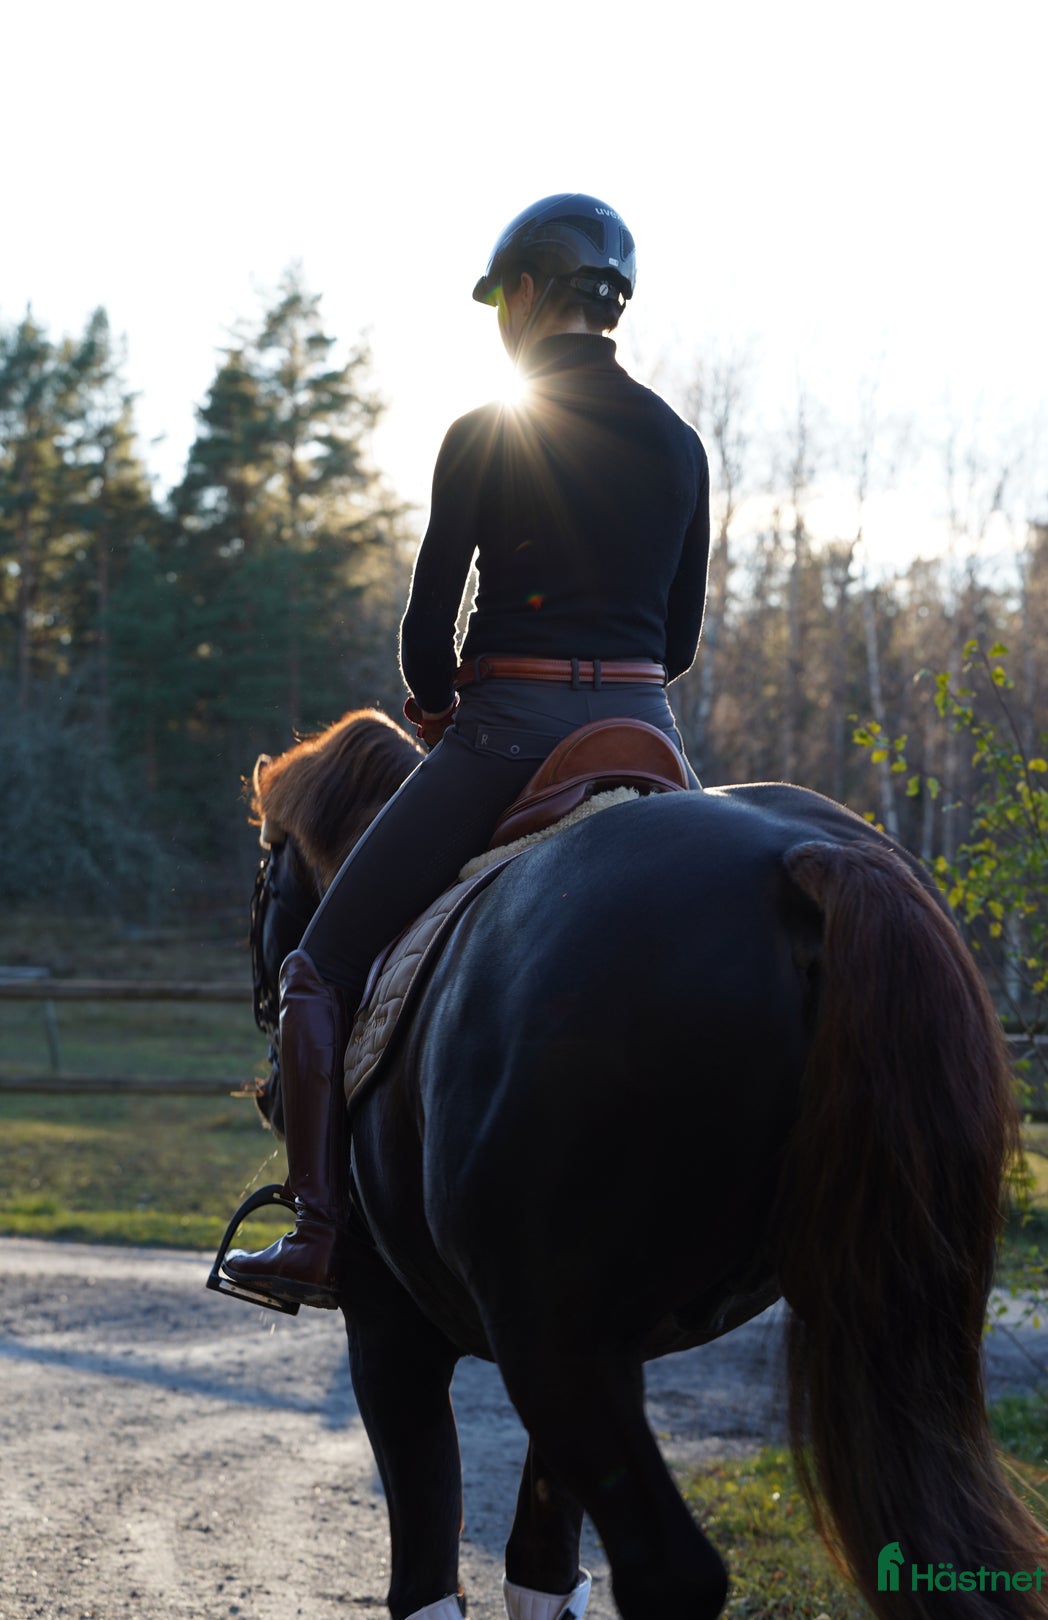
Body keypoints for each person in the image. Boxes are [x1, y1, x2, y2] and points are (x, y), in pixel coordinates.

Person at [222, 193, 711, 1311]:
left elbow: (427, 623)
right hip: (649, 735)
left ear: (533, 293)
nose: (500, 318)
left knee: (314, 970)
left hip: (512, 732)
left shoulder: (490, 427)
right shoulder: (681, 443)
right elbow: (676, 642)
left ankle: (313, 1232)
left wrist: (439, 709)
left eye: (503, 298)